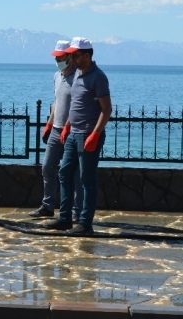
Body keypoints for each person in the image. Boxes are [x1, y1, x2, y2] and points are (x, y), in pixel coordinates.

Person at [45, 37, 111, 235]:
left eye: (76, 55)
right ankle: (65, 218)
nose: (72, 58)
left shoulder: (98, 77)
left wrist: (95, 134)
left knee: (86, 179)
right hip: (73, 133)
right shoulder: (77, 75)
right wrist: (66, 126)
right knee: (64, 172)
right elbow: (75, 106)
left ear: (87, 55)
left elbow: (106, 110)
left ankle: (84, 223)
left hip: (88, 134)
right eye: (71, 55)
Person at [29, 40, 83, 221]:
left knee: (73, 173)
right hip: (56, 129)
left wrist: (68, 125)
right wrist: (49, 124)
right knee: (47, 167)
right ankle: (48, 205)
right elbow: (56, 103)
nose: (58, 60)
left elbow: (77, 106)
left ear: (69, 57)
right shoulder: (57, 76)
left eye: (61, 57)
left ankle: (76, 211)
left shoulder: (78, 77)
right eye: (56, 57)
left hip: (71, 131)